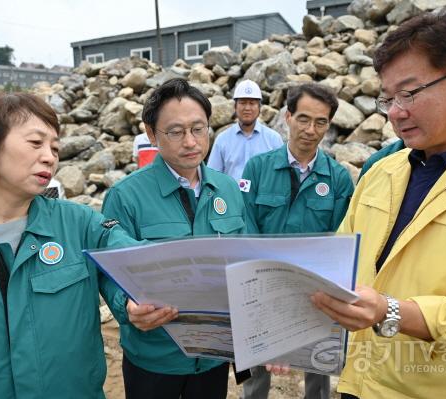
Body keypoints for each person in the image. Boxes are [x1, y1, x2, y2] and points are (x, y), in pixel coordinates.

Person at [305, 8, 446, 399]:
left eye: (408, 94)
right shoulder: (380, 173)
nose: (395, 113)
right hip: (360, 382)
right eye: (386, 98)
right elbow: (338, 262)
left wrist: (389, 311)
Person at [0, 91, 137, 398]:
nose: (50, 156)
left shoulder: (80, 224)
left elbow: (131, 261)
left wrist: (132, 304)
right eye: (36, 143)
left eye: (54, 147)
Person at [102, 78, 247, 399]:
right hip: (155, 358)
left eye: (199, 129)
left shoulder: (227, 189)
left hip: (213, 354)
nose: (191, 141)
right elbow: (108, 270)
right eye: (176, 131)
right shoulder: (125, 196)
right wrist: (125, 307)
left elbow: (247, 257)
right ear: (152, 134)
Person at [241, 83, 354, 399]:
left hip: (315, 293)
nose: (310, 129)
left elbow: (339, 240)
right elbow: (247, 229)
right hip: (264, 288)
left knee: (317, 374)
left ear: (329, 125)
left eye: (320, 122)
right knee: (257, 371)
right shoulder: (258, 169)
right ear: (287, 117)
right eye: (303, 118)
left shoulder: (338, 179)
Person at [207, 79, 283, 181]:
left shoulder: (274, 139)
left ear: (259, 107)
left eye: (252, 103)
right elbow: (213, 177)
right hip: (232, 196)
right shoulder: (222, 140)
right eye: (242, 103)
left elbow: (281, 177)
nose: (247, 108)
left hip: (263, 196)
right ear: (235, 106)